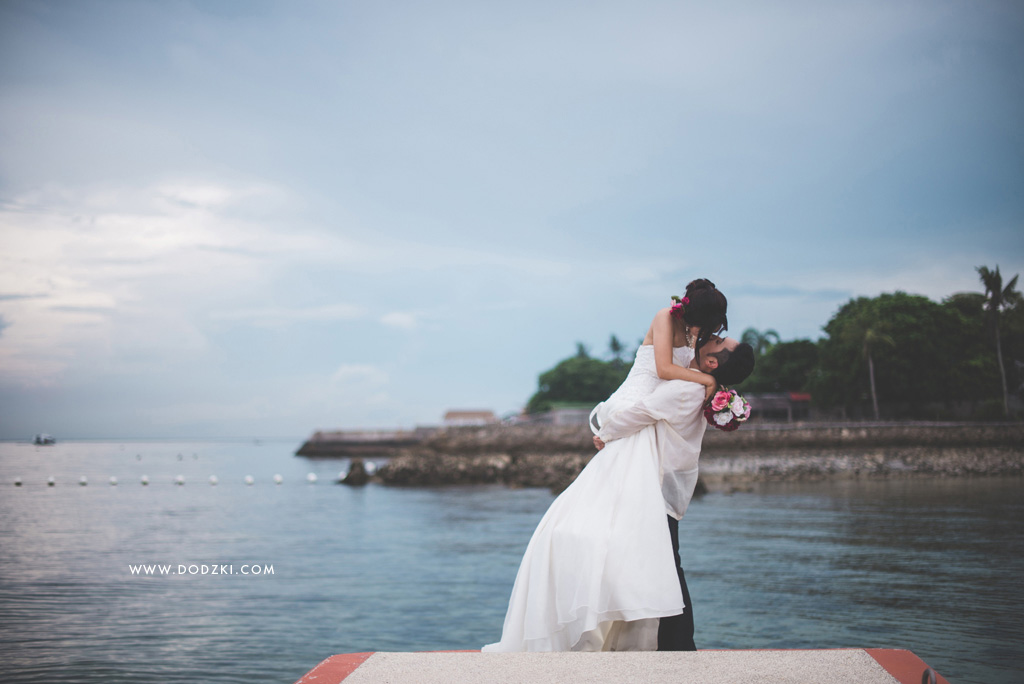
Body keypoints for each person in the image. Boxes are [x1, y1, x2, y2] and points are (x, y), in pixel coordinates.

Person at [482, 282, 754, 652]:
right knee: (643, 546)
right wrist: (707, 378)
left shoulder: (694, 351)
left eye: (720, 341)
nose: (716, 336)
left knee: (632, 543)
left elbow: (657, 402)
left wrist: (612, 430)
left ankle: (662, 637)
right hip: (638, 403)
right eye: (716, 332)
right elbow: (661, 368)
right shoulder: (669, 323)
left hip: (643, 419)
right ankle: (662, 637)